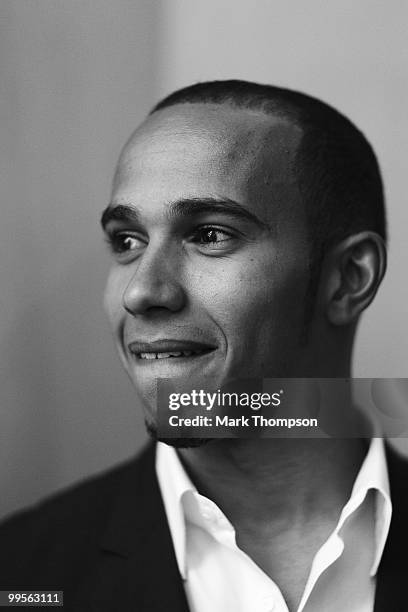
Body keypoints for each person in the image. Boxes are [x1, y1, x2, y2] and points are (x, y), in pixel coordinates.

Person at [0, 80, 406, 612]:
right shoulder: (23, 576)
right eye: (127, 241)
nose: (142, 292)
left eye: (210, 234)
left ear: (348, 278)